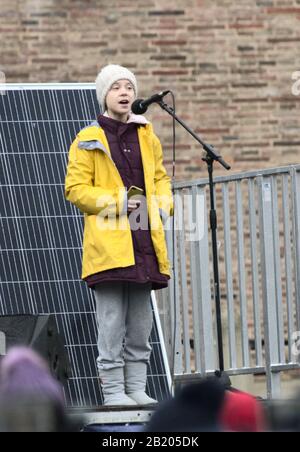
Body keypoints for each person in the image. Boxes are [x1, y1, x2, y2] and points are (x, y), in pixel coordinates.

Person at [65, 64, 173, 406]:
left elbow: (160, 180)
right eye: (116, 88)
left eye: (129, 86)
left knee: (141, 323)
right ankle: (113, 391)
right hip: (108, 244)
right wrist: (119, 202)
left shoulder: (147, 135)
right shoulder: (88, 138)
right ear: (104, 96)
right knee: (111, 322)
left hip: (144, 237)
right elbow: (76, 189)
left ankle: (136, 387)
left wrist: (163, 205)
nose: (125, 93)